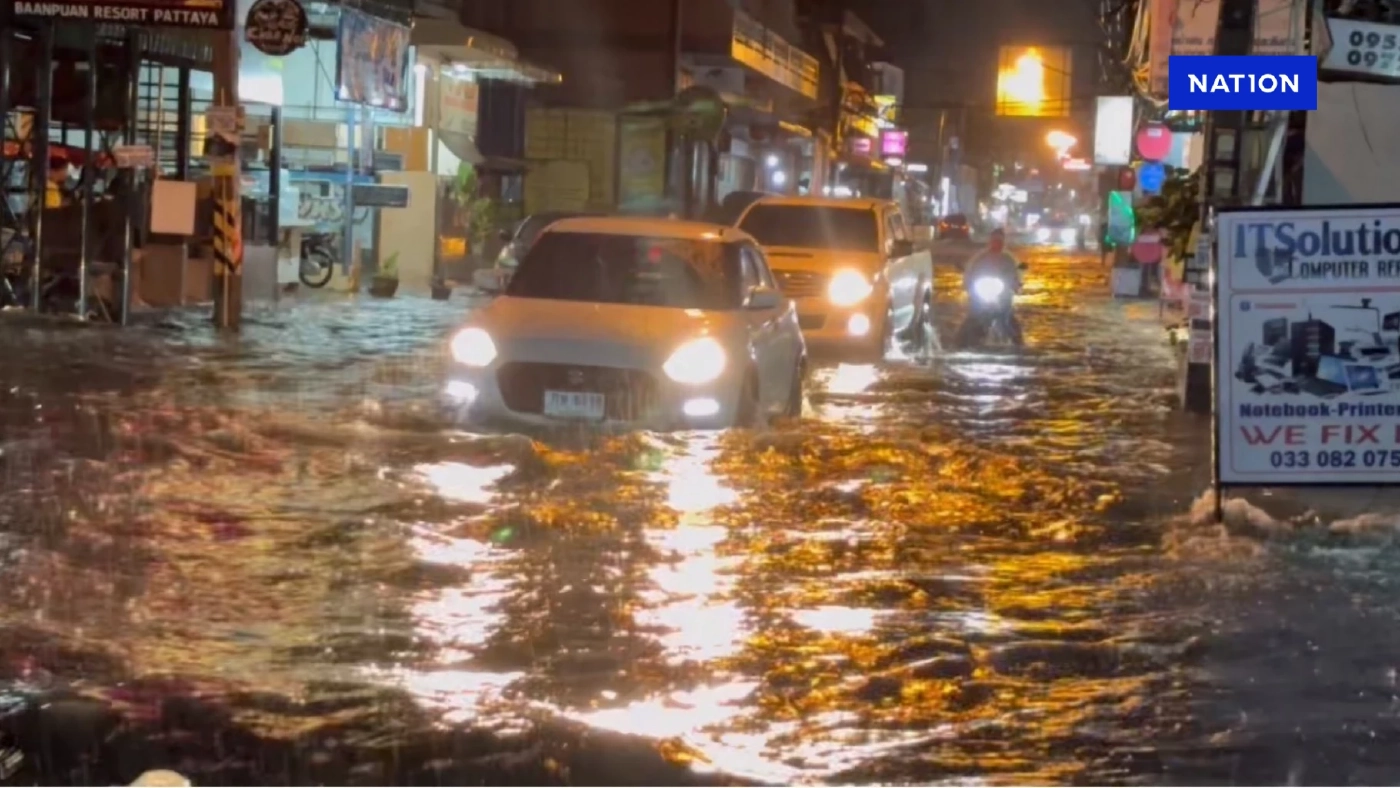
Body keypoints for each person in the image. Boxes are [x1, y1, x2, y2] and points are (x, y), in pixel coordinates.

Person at [957, 228, 1024, 347]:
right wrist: (967, 284)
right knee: (972, 317)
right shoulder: (979, 258)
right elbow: (969, 271)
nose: (997, 244)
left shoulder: (1010, 260)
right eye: (995, 241)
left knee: (1008, 318)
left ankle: (1017, 342)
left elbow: (1017, 275)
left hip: (1002, 295)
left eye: (999, 241)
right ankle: (960, 342)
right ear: (990, 242)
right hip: (981, 292)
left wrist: (1016, 284)